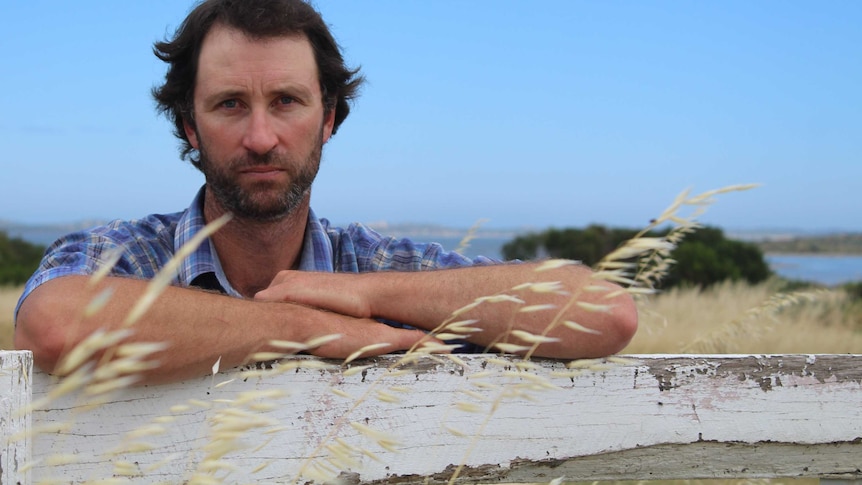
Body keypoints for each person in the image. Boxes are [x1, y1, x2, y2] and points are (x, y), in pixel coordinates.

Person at [14, 0, 637, 384]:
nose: (261, 138)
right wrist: (300, 327)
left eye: (286, 102)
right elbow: (55, 323)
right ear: (189, 127)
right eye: (230, 104)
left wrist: (362, 296)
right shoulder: (136, 255)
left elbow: (604, 313)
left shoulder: (373, 268)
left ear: (329, 117)